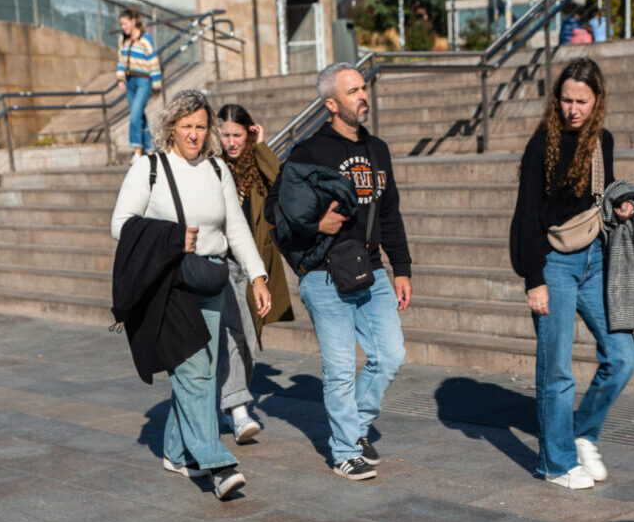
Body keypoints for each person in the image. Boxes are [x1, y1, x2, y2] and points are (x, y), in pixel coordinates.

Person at [111, 89, 271, 500]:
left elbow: (235, 228)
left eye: (201, 126)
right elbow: (121, 224)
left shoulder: (218, 170)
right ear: (171, 127)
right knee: (196, 373)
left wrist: (257, 277)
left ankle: (175, 451)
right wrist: (170, 237)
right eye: (187, 126)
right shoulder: (149, 168)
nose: (195, 134)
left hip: (211, 280)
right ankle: (215, 462)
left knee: (198, 372)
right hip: (170, 284)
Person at [264, 62, 412, 482]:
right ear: (331, 103)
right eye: (352, 91)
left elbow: (390, 212)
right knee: (341, 367)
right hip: (324, 273)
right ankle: (345, 449)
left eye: (363, 88)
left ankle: (357, 426)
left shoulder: (377, 150)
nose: (363, 96)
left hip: (372, 271)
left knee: (390, 356)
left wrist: (402, 266)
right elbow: (275, 210)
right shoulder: (308, 152)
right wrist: (316, 225)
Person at [510, 58, 634, 490]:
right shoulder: (541, 145)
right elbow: (526, 214)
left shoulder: (603, 141)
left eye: (582, 100)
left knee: (623, 356)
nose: (573, 109)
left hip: (596, 260)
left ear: (597, 100)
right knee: (557, 370)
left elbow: (602, 193)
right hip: (553, 264)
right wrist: (534, 280)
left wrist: (621, 206)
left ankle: (582, 431)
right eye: (566, 100)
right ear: (556, 100)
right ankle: (556, 463)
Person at [217, 103, 293, 444]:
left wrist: (261, 146)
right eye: (226, 135)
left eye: (238, 135)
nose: (232, 142)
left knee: (246, 340)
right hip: (220, 264)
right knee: (235, 336)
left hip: (254, 268)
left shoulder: (256, 167)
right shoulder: (212, 167)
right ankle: (239, 410)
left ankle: (228, 403)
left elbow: (282, 183)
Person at [116, 8, 161, 163]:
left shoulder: (145, 38)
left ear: (133, 21)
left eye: (125, 23)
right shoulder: (123, 39)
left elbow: (153, 62)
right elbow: (121, 60)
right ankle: (150, 149)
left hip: (144, 81)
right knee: (140, 115)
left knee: (135, 114)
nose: (123, 27)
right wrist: (120, 78)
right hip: (129, 81)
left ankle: (137, 150)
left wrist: (156, 85)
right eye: (121, 24)